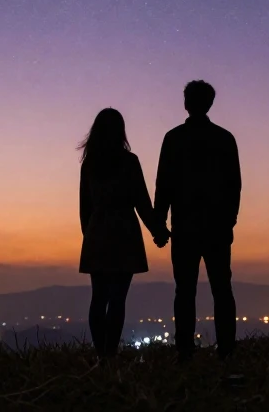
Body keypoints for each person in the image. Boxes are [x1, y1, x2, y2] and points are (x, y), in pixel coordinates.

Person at [152, 80, 242, 361]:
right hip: (216, 227)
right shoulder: (224, 139)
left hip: (185, 227)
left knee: (185, 290)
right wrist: (229, 221)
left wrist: (159, 225)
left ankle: (184, 350)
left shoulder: (174, 138)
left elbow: (163, 185)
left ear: (186, 103)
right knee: (222, 288)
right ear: (210, 103)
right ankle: (226, 349)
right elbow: (234, 186)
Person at [78, 107, 168, 359]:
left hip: (98, 231)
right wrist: (157, 231)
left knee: (99, 297)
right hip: (125, 232)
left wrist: (91, 235)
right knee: (117, 299)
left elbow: (84, 208)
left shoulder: (90, 164)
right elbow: (141, 201)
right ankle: (110, 353)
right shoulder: (129, 162)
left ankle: (101, 355)